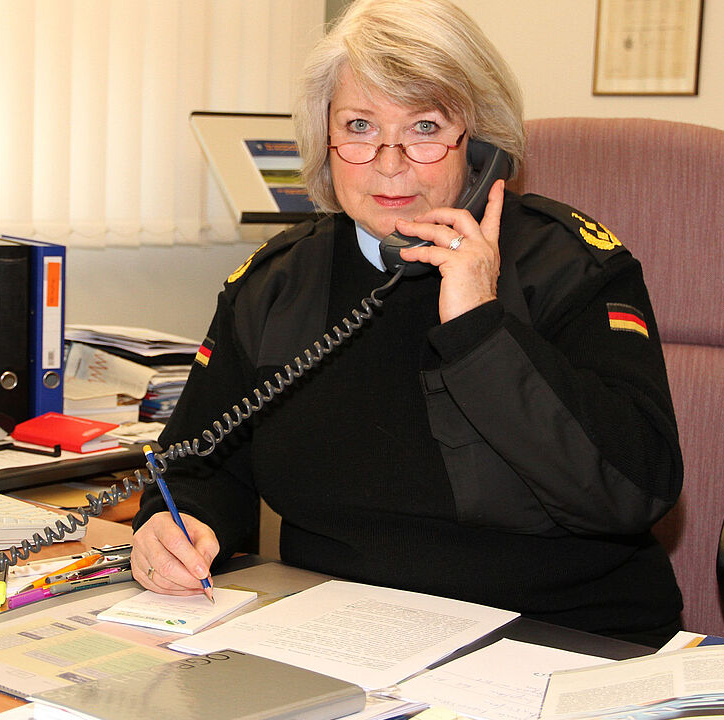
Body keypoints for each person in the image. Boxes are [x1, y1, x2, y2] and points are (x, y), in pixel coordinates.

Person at [131, 0, 683, 646]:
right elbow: (196, 462)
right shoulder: (277, 282)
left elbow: (632, 489)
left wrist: (481, 327)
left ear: (479, 144)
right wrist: (175, 526)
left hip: (560, 637)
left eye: (424, 127)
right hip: (339, 637)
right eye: (359, 126)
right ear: (324, 139)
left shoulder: (570, 267)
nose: (389, 164)